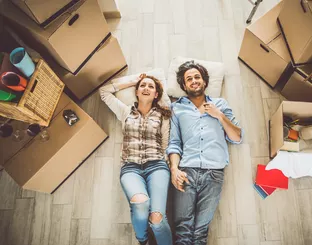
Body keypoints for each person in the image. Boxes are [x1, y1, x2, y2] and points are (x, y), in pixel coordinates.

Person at [167, 61, 243, 245]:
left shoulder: (220, 104)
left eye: (197, 77)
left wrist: (220, 116)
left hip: (214, 173)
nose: (194, 81)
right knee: (183, 230)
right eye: (189, 79)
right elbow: (174, 143)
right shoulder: (177, 108)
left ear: (204, 81)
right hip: (186, 172)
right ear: (184, 86)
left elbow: (237, 137)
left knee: (200, 232)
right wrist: (174, 169)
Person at [99, 74, 173, 245]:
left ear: (156, 95)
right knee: (140, 204)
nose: (146, 88)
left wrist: (168, 165)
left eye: (151, 86)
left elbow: (165, 143)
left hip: (157, 167)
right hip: (131, 168)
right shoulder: (125, 112)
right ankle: (143, 239)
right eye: (143, 86)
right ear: (137, 92)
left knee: (157, 218)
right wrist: (134, 81)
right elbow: (104, 92)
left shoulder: (163, 115)